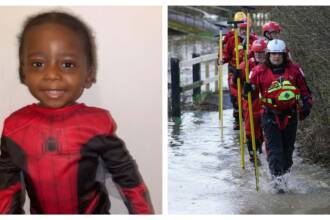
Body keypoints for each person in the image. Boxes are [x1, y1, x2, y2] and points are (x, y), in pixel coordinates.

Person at [0, 11, 153, 214]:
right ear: (23, 73)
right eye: (38, 64)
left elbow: (128, 180)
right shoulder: (15, 128)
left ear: (88, 75)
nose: (52, 74)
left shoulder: (97, 125)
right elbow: (6, 190)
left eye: (67, 64)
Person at [244, 39, 312, 193]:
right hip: (269, 116)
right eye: (273, 54)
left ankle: (284, 179)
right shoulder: (258, 71)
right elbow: (250, 95)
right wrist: (247, 89)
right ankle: (277, 185)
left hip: (291, 115)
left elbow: (305, 91)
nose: (276, 57)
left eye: (279, 54)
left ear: (284, 54)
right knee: (275, 151)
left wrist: (307, 105)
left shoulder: (295, 70)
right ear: (268, 55)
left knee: (287, 152)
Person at [233, 39, 268, 165]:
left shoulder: (272, 66)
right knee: (250, 131)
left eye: (262, 52)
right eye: (257, 53)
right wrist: (235, 77)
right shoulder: (246, 65)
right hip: (251, 105)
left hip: (267, 105)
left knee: (267, 132)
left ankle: (268, 154)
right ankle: (254, 156)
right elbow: (235, 84)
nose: (259, 55)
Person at [222, 14, 258, 130]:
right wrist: (222, 59)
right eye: (241, 29)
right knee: (235, 96)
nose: (243, 31)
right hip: (234, 70)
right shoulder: (232, 39)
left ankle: (251, 119)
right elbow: (226, 54)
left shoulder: (254, 40)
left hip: (250, 71)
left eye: (245, 29)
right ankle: (237, 119)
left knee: (249, 96)